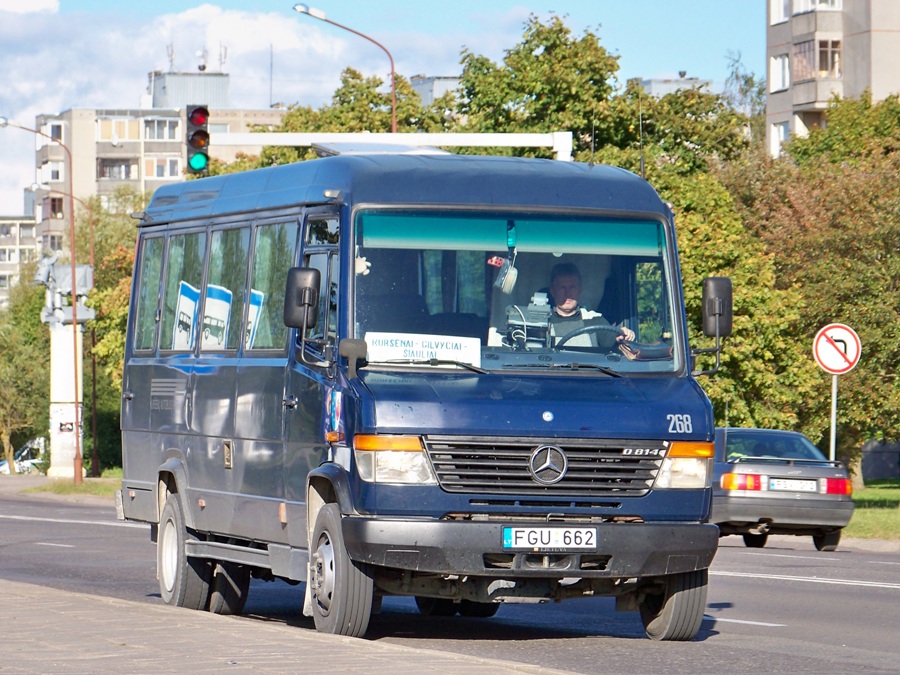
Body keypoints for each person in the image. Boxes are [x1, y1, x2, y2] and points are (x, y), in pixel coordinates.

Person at [547, 262, 635, 349]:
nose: (567, 293)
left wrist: (622, 335)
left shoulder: (594, 320)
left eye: (572, 287)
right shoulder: (544, 322)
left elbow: (611, 339)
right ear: (552, 291)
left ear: (579, 290)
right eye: (562, 287)